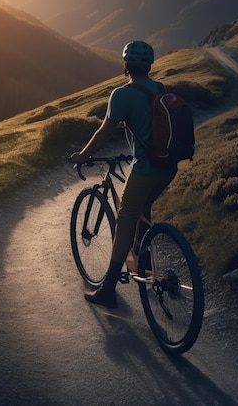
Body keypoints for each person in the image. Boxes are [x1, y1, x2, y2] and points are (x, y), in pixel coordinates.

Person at [69, 40, 177, 309]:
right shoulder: (160, 89)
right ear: (149, 66)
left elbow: (105, 132)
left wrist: (82, 155)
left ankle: (107, 291)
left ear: (126, 65)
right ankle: (146, 266)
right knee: (143, 208)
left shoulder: (122, 94)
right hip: (168, 168)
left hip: (144, 168)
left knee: (125, 219)